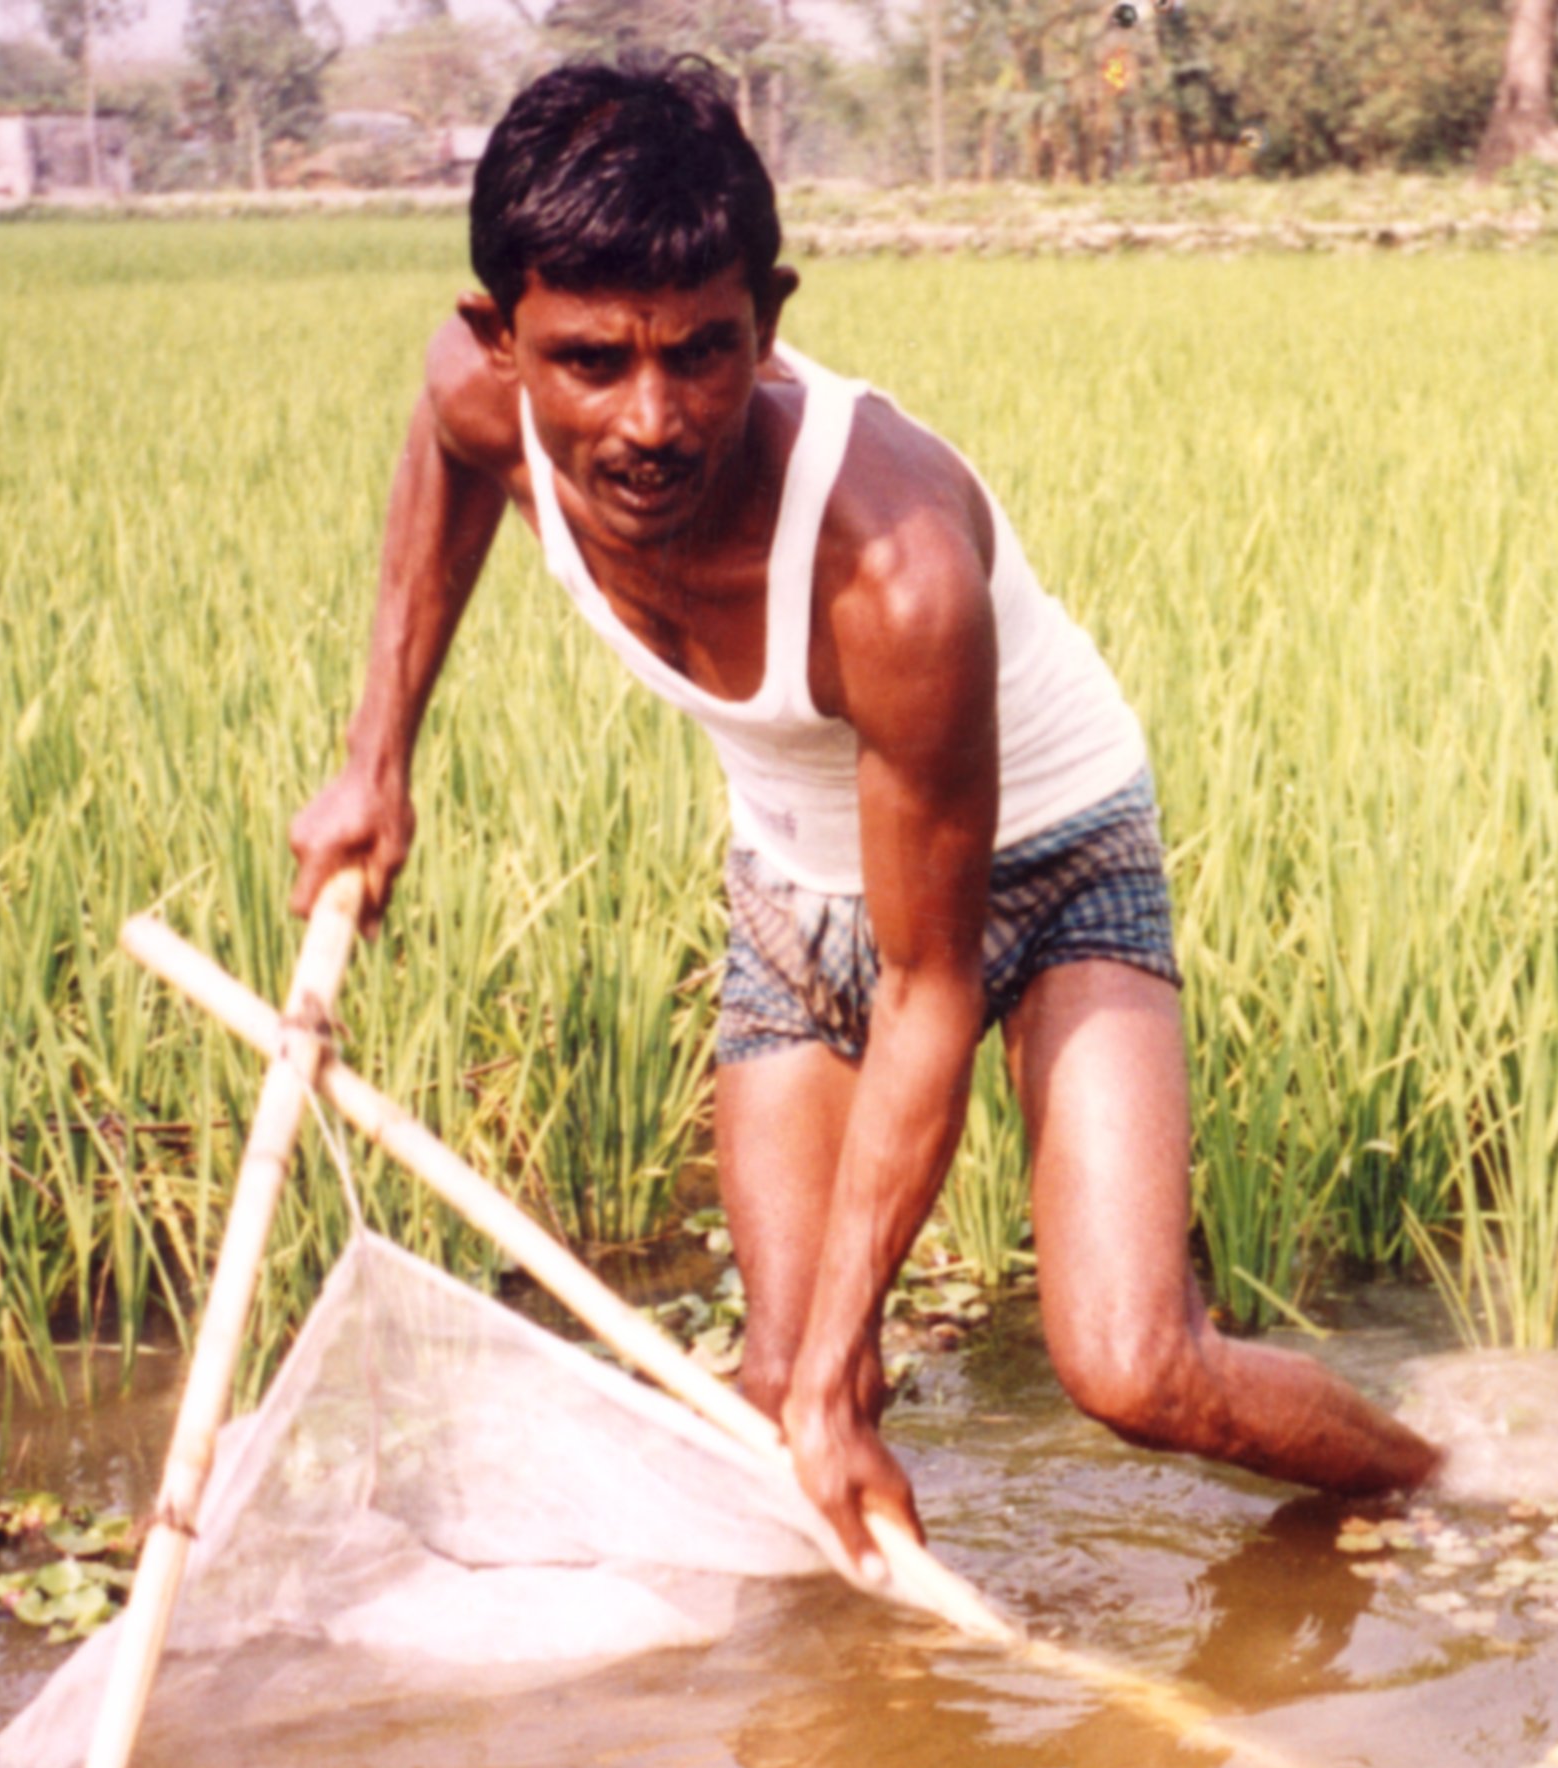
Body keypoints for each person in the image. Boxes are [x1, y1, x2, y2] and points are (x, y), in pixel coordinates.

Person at [287, 54, 1436, 1589]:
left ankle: (1448, 1486)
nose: (650, 421)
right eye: (589, 361)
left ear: (769, 318)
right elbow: (443, 463)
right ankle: (849, 1757)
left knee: (1133, 1366)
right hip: (791, 879)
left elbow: (929, 986)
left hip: (1045, 859)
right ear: (505, 341)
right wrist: (379, 758)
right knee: (778, 1393)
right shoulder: (474, 395)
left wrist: (843, 1371)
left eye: (703, 353)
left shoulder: (889, 570)